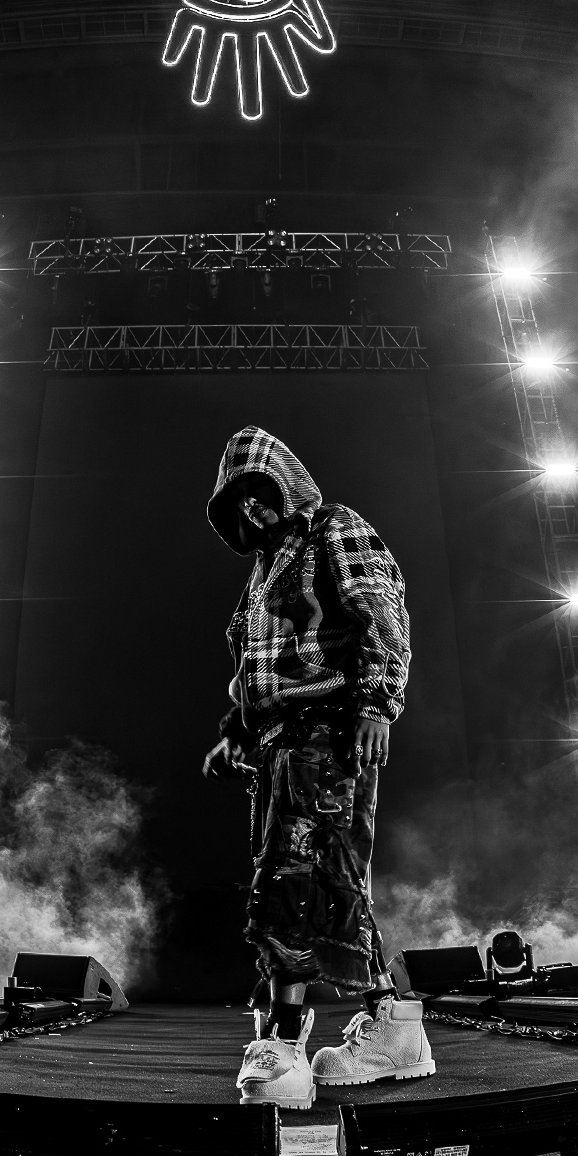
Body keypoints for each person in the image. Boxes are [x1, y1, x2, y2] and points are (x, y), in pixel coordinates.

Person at [205, 426, 435, 1109]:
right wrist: (236, 734)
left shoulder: (333, 528)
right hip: (281, 745)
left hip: (329, 732)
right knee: (328, 882)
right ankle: (396, 1030)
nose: (251, 511)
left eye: (259, 493)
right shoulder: (262, 574)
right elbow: (255, 672)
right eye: (236, 505)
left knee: (294, 880)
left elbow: (382, 612)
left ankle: (283, 1046)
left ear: (287, 487)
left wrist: (375, 703)